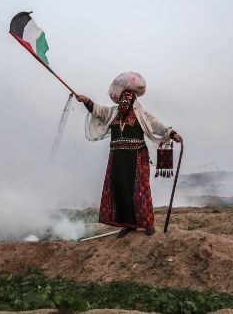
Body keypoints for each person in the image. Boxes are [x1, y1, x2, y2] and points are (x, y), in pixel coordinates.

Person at [75, 71, 182, 238]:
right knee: (121, 191)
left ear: (134, 99)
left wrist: (173, 133)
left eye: (129, 97)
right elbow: (98, 111)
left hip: (137, 157)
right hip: (117, 159)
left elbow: (158, 126)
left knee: (140, 190)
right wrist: (86, 101)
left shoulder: (142, 115)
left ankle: (148, 224)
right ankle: (128, 224)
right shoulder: (112, 113)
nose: (125, 100)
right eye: (123, 97)